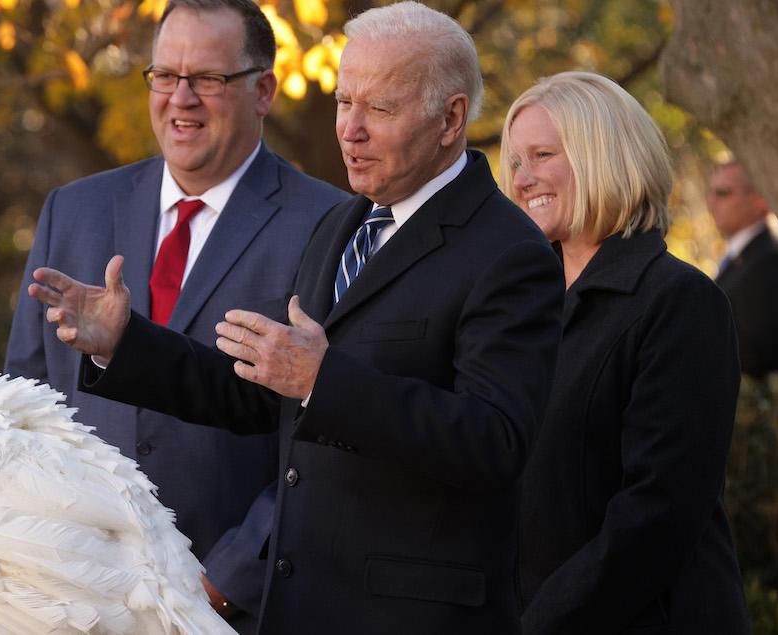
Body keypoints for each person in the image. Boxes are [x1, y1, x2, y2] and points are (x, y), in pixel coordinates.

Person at [29, 2, 563, 632]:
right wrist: (125, 344)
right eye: (343, 103)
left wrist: (321, 381)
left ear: (450, 119)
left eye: (379, 108)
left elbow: (495, 442)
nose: (350, 131)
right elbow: (260, 395)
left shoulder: (508, 250)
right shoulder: (346, 225)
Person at [3, 0, 347, 627]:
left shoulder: (327, 225)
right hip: (80, 598)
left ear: (263, 90)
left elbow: (326, 444)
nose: (181, 98)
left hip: (237, 606)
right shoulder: (73, 211)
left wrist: (225, 581)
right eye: (165, 75)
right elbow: (22, 404)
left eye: (209, 79)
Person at [500, 71, 749, 634]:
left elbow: (657, 512)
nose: (522, 179)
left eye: (542, 154)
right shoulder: (522, 308)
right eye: (516, 161)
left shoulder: (679, 301)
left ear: (602, 156)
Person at [708, 160, 778, 377]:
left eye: (723, 192)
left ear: (761, 199)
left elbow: (757, 357)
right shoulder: (747, 254)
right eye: (712, 192)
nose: (711, 202)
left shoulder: (772, 260)